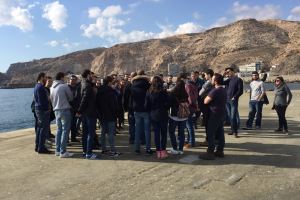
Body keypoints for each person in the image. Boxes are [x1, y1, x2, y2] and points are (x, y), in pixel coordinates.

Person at [199, 73, 227, 160]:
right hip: (221, 113)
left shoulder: (215, 91)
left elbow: (206, 101)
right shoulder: (223, 90)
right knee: (220, 132)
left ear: (215, 81)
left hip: (214, 113)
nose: (211, 80)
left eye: (212, 79)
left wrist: (205, 97)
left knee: (211, 133)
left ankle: (210, 152)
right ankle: (220, 150)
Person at [50, 72, 74, 158]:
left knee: (59, 130)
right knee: (65, 130)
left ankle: (57, 150)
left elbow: (51, 99)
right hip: (65, 110)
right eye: (64, 77)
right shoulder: (64, 86)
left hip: (56, 111)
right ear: (61, 77)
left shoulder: (51, 87)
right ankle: (63, 151)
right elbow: (71, 97)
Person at [97, 76, 121, 158]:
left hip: (101, 115)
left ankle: (104, 149)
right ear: (109, 82)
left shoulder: (98, 90)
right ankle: (113, 150)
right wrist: (116, 114)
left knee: (103, 132)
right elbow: (114, 105)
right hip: (110, 115)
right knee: (111, 133)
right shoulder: (111, 92)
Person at [145, 76, 169, 159]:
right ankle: (163, 151)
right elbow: (168, 104)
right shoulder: (164, 92)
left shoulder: (149, 92)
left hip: (153, 115)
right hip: (163, 114)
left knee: (156, 134)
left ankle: (158, 152)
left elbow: (146, 105)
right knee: (164, 134)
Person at [77, 69, 98, 159]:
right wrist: (79, 110)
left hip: (85, 113)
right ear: (88, 75)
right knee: (90, 133)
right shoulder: (87, 86)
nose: (92, 76)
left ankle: (85, 151)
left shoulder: (82, 84)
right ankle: (89, 153)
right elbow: (84, 99)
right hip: (90, 113)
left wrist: (80, 111)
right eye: (91, 75)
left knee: (85, 133)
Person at [131, 70, 152, 155]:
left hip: (136, 110)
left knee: (137, 130)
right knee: (147, 131)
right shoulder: (148, 85)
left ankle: (137, 149)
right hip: (146, 110)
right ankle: (148, 149)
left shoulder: (133, 85)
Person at [168, 79, 189, 155]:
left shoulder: (173, 94)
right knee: (181, 133)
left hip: (174, 116)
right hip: (183, 116)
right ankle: (180, 149)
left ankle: (174, 148)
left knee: (171, 132)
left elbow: (169, 104)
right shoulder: (185, 94)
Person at [223, 66, 243, 137]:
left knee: (233, 116)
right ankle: (232, 130)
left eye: (228, 72)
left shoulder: (238, 79)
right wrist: (223, 74)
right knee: (229, 116)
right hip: (227, 100)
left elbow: (240, 91)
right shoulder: (229, 79)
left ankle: (235, 132)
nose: (228, 73)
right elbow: (221, 82)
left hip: (233, 101)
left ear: (233, 71)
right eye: (227, 72)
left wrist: (235, 97)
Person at [33, 72, 51, 154]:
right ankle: (41, 148)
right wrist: (47, 109)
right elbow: (41, 101)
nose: (46, 79)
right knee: (43, 129)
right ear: (41, 77)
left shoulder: (36, 86)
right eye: (44, 77)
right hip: (42, 110)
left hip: (38, 109)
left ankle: (37, 146)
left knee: (40, 129)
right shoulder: (40, 87)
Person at [198, 69, 214, 145]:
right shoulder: (213, 82)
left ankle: (208, 140)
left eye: (205, 74)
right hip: (210, 105)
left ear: (209, 75)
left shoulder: (208, 83)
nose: (204, 76)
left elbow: (200, 93)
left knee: (207, 124)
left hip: (206, 105)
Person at [184, 71, 198, 148]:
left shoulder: (188, 86)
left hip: (189, 107)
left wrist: (188, 104)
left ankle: (191, 142)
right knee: (190, 125)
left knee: (189, 126)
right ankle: (190, 140)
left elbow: (190, 98)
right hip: (193, 107)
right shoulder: (194, 85)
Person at [123, 72, 137, 144]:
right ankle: (139, 139)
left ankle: (132, 139)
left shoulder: (128, 85)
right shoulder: (138, 85)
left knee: (131, 124)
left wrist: (125, 108)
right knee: (137, 124)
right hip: (137, 107)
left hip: (131, 107)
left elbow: (125, 97)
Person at [68, 75, 81, 142]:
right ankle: (66, 139)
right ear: (69, 80)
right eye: (71, 79)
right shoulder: (67, 87)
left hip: (75, 109)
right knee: (67, 125)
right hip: (68, 109)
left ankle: (73, 138)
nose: (73, 80)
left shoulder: (77, 87)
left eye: (74, 79)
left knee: (73, 124)